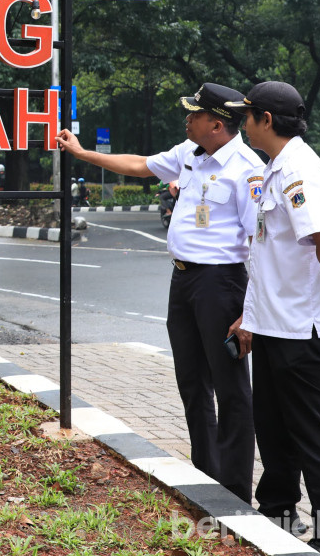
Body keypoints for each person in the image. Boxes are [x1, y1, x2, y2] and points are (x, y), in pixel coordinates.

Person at [56, 82, 262, 506]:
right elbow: (138, 164)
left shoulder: (247, 168)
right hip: (184, 281)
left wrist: (251, 311)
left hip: (221, 285)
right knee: (191, 381)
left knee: (231, 388)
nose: (186, 120)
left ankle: (236, 490)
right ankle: (206, 475)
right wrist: (81, 153)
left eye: (194, 114)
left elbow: (260, 243)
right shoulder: (189, 154)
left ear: (217, 124)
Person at [223, 82, 320, 555]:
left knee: (313, 434)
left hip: (302, 330)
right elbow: (270, 256)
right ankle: (278, 512)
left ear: (267, 121)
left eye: (249, 115)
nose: (244, 123)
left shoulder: (297, 170)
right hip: (276, 326)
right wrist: (251, 318)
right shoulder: (276, 167)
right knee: (274, 427)